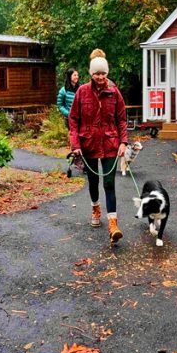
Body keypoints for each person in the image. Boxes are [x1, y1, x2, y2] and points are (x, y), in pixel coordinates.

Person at [68, 49, 127, 243]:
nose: (100, 77)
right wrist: (75, 145)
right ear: (91, 74)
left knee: (109, 183)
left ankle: (113, 224)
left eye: (103, 73)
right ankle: (95, 208)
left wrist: (123, 142)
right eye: (97, 73)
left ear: (107, 73)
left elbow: (122, 119)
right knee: (93, 182)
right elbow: (74, 120)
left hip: (110, 143)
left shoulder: (114, 92)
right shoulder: (82, 92)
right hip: (89, 144)